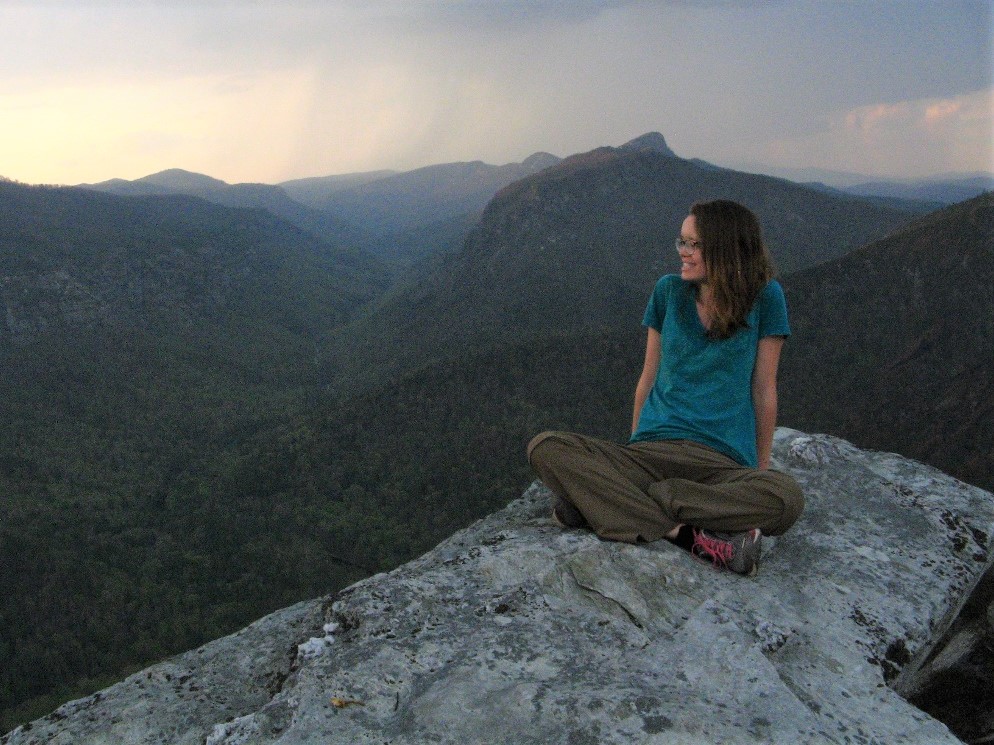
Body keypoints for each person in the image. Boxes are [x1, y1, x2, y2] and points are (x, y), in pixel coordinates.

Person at [527, 199, 804, 576]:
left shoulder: (766, 298)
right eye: (682, 242)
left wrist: (760, 470)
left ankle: (611, 505)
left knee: (785, 499)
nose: (683, 253)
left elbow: (764, 390)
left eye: (693, 245)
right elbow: (649, 376)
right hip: (652, 452)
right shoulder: (668, 292)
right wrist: (633, 449)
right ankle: (684, 534)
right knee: (546, 447)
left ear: (724, 250)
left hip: (719, 464)